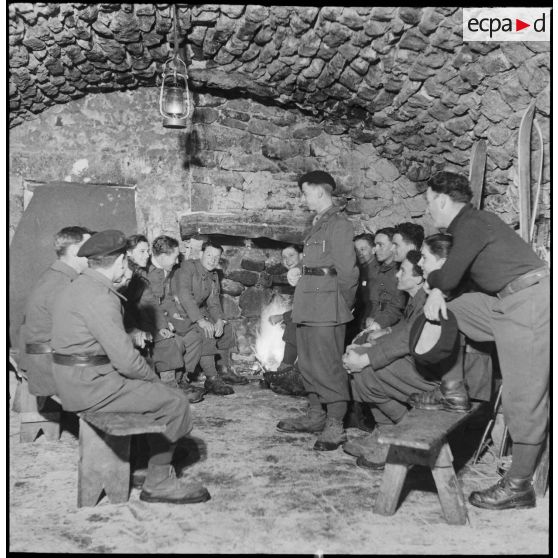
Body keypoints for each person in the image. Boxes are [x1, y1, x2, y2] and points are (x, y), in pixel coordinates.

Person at [50, 230, 210, 505]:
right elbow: (126, 360)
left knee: (149, 379)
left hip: (75, 377)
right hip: (89, 385)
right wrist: (154, 382)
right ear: (121, 261)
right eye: (127, 260)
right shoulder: (101, 296)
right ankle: (158, 482)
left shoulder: (81, 285)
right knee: (175, 402)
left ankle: (146, 461)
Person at [422, 171, 549, 510]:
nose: (429, 210)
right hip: (505, 301)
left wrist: (435, 283)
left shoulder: (473, 222)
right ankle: (455, 394)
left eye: (429, 202)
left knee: (524, 396)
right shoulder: (468, 225)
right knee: (457, 309)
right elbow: (452, 282)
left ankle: (519, 485)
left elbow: (448, 275)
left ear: (442, 200)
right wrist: (440, 289)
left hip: (531, 300)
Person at [342, 250, 448, 469]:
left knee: (365, 371)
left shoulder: (429, 298)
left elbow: (410, 338)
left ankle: (405, 438)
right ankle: (385, 433)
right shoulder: (419, 297)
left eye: (403, 270)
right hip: (421, 363)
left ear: (419, 277)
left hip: (436, 376)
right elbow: (405, 329)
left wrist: (369, 354)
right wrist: (373, 342)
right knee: (361, 365)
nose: (397, 275)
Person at [276, 170, 359, 451]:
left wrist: (342, 303)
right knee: (309, 362)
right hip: (308, 304)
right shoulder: (317, 223)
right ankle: (315, 415)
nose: (303, 198)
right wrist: (297, 271)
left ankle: (336, 424)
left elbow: (348, 272)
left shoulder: (339, 224)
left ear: (320, 192)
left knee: (329, 365)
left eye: (305, 192)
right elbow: (316, 263)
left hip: (327, 307)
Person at [19, 226, 93, 397]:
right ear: (75, 250)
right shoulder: (63, 284)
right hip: (51, 372)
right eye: (88, 246)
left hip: (43, 366)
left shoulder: (53, 276)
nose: (93, 253)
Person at [173, 239, 249, 395]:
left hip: (197, 311)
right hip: (179, 311)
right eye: (209, 255)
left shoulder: (213, 275)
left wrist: (219, 321)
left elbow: (213, 303)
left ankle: (224, 370)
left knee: (226, 328)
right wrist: (201, 321)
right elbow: (184, 296)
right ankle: (211, 378)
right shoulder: (187, 268)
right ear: (201, 254)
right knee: (207, 331)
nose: (212, 260)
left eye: (216, 257)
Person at [140, 235, 204, 403]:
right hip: (147, 319)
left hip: (163, 315)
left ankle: (182, 378)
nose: (177, 262)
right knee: (169, 339)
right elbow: (147, 304)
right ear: (162, 256)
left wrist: (175, 313)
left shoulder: (164, 270)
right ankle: (169, 384)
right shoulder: (145, 271)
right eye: (175, 257)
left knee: (195, 334)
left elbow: (166, 298)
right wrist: (163, 324)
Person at [264, 244, 306, 396]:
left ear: (302, 256)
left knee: (293, 325)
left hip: (316, 322)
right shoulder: (298, 274)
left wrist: (282, 317)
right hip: (306, 317)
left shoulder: (305, 273)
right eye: (284, 257)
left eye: (291, 255)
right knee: (292, 325)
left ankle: (288, 371)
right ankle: (286, 369)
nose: (287, 260)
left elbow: (307, 308)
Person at [364, 228, 407, 332]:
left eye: (380, 245)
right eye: (375, 245)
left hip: (387, 327)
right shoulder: (375, 269)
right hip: (369, 322)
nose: (375, 249)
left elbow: (397, 308)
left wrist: (377, 322)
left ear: (393, 246)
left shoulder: (401, 273)